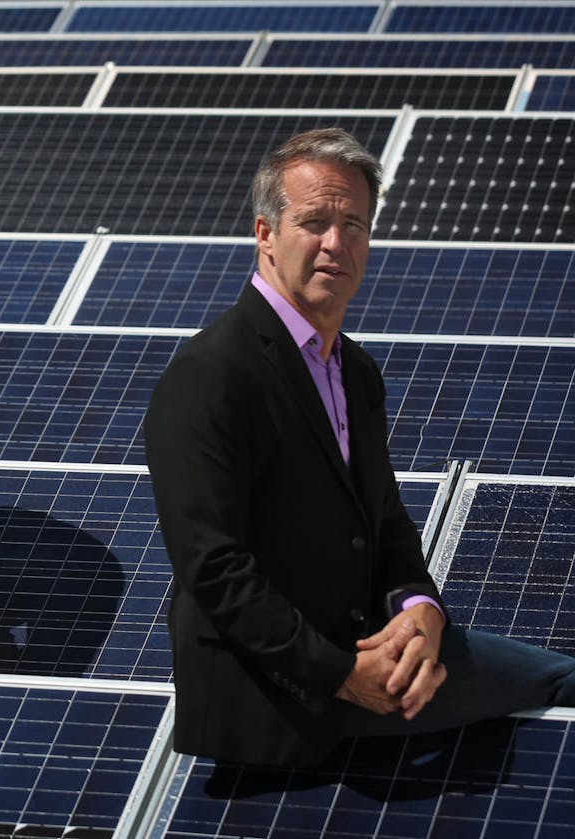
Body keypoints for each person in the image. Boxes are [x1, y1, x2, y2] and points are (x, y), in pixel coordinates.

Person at [144, 128, 575, 768]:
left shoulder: (355, 372)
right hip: (276, 689)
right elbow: (214, 568)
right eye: (313, 221)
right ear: (265, 233)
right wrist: (343, 673)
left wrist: (422, 613)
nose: (335, 243)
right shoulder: (209, 373)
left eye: (355, 225)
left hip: (372, 652)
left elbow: (386, 523)